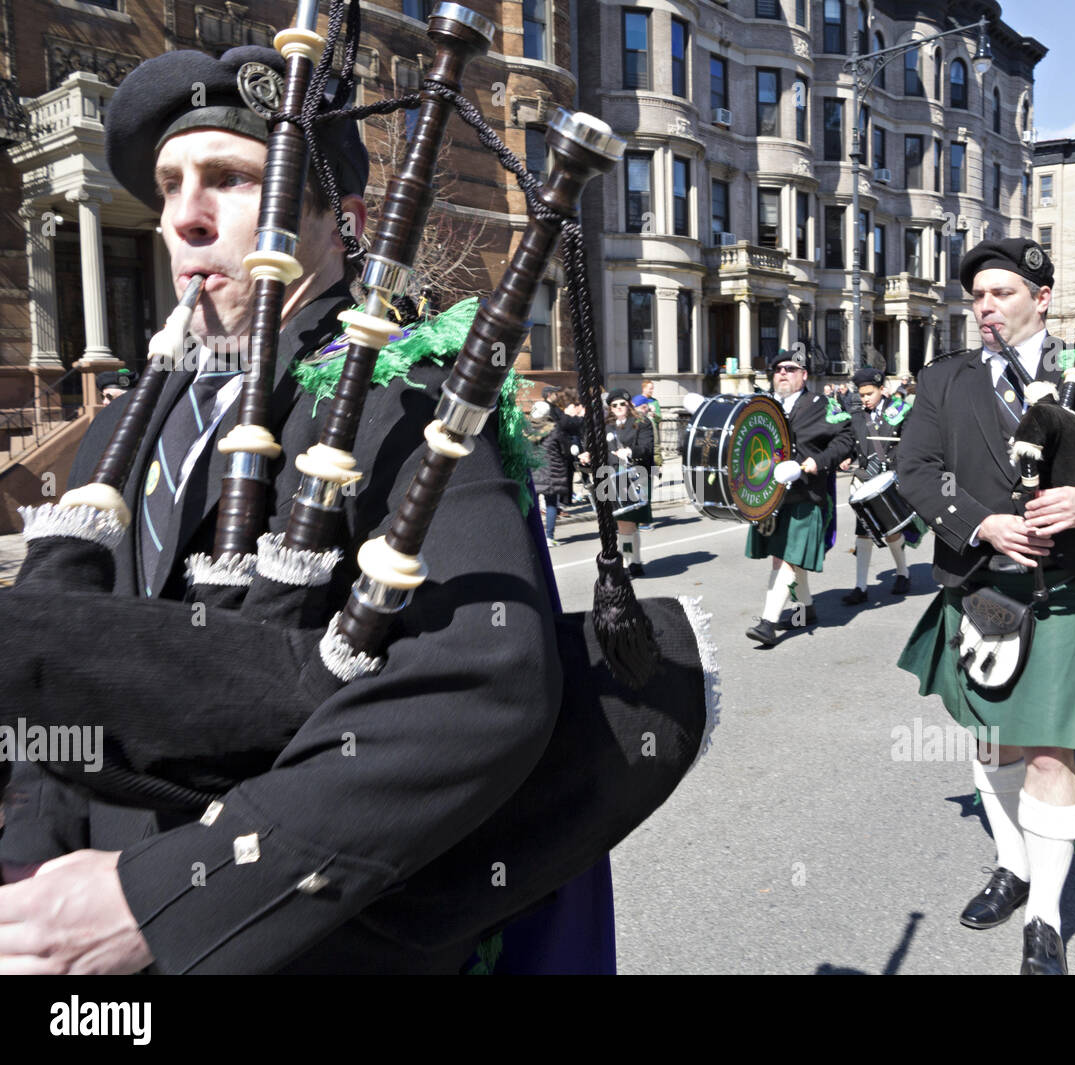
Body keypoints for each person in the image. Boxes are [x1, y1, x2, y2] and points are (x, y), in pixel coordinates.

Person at [0, 45, 608, 974]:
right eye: (169, 187)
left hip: (288, 932)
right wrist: (27, 875)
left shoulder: (403, 404)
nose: (184, 219)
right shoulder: (116, 430)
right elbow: (63, 689)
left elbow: (483, 686)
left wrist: (166, 897)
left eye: (233, 181)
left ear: (346, 223)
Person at [895, 237, 1075, 975]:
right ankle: (1012, 862)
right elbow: (916, 468)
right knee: (993, 740)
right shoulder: (944, 380)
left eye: (1002, 292)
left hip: (1063, 592)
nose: (986, 306)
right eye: (978, 296)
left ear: (1041, 298)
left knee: (1050, 753)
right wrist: (979, 521)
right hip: (981, 585)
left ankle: (1045, 915)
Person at [744, 348, 854, 646]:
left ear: (804, 375)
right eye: (778, 368)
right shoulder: (763, 405)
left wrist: (820, 461)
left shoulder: (821, 404)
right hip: (771, 497)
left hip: (807, 494)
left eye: (790, 369)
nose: (782, 373)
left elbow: (846, 438)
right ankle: (806, 611)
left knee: (786, 559)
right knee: (788, 557)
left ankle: (767, 623)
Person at [841, 366, 914, 604]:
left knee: (892, 530)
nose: (865, 399)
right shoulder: (857, 416)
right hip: (864, 481)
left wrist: (889, 465)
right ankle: (860, 587)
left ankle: (903, 572)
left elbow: (909, 444)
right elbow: (853, 444)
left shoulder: (901, 411)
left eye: (869, 394)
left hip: (890, 480)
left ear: (882, 390)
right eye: (861, 395)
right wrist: (848, 458)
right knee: (863, 532)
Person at [604, 387, 654, 577]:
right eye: (614, 405)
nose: (618, 407)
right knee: (627, 524)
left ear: (628, 404)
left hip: (636, 476)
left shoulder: (641, 422)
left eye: (622, 404)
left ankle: (627, 563)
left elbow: (646, 448)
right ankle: (634, 562)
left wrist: (629, 451)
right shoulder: (606, 425)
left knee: (627, 523)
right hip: (614, 477)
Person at [531, 386, 585, 547]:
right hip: (552, 471)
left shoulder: (527, 430)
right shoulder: (554, 429)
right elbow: (567, 448)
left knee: (533, 505)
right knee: (551, 504)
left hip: (534, 471)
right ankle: (549, 536)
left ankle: (534, 536)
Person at [629, 378, 660, 527]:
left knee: (645, 492)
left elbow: (652, 445)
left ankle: (645, 521)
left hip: (647, 461)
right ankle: (641, 518)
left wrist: (658, 461)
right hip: (638, 461)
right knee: (640, 491)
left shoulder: (646, 422)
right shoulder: (635, 421)